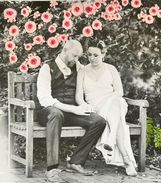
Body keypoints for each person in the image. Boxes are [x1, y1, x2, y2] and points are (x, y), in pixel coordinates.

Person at [37, 39, 106, 183]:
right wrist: (75, 109)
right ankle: (52, 170)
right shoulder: (47, 68)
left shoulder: (78, 67)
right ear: (65, 50)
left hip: (71, 113)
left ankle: (75, 162)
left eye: (78, 57)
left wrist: (85, 106)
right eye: (74, 56)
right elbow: (45, 99)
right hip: (49, 113)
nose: (77, 60)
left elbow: (93, 78)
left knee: (98, 121)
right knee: (56, 113)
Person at [76, 40, 137, 176]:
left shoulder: (111, 69)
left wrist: (107, 100)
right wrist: (85, 106)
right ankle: (126, 161)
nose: (92, 58)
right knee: (118, 120)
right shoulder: (83, 71)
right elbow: (79, 97)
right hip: (95, 107)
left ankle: (112, 138)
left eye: (96, 55)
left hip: (113, 102)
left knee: (115, 103)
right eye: (89, 55)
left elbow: (119, 91)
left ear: (103, 54)